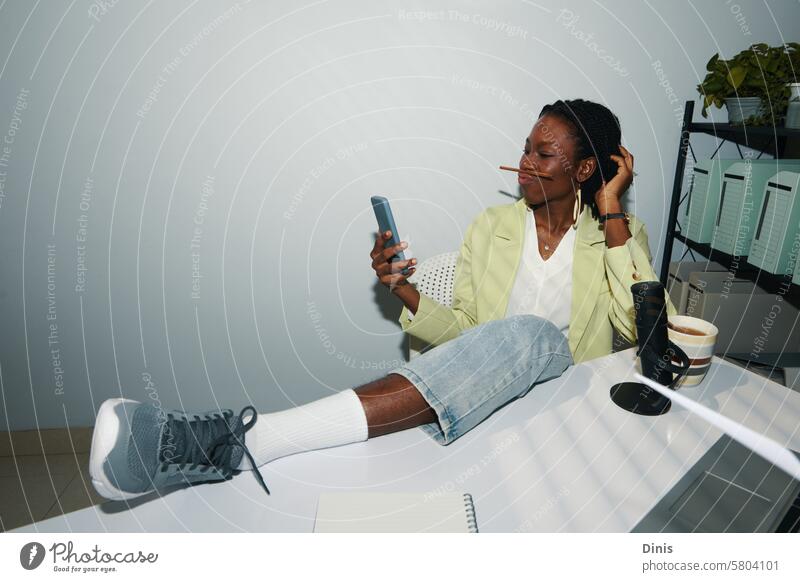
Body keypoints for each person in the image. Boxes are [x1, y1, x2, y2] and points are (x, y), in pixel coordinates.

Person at [88, 98, 674, 501]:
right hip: (491, 382)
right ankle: (239, 446)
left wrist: (612, 210)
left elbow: (644, 330)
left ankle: (250, 439)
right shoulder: (490, 227)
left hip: (562, 395)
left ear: (586, 168)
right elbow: (467, 330)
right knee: (507, 336)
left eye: (543, 155)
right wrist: (403, 289)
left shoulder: (619, 235)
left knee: (532, 333)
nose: (524, 162)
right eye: (525, 147)